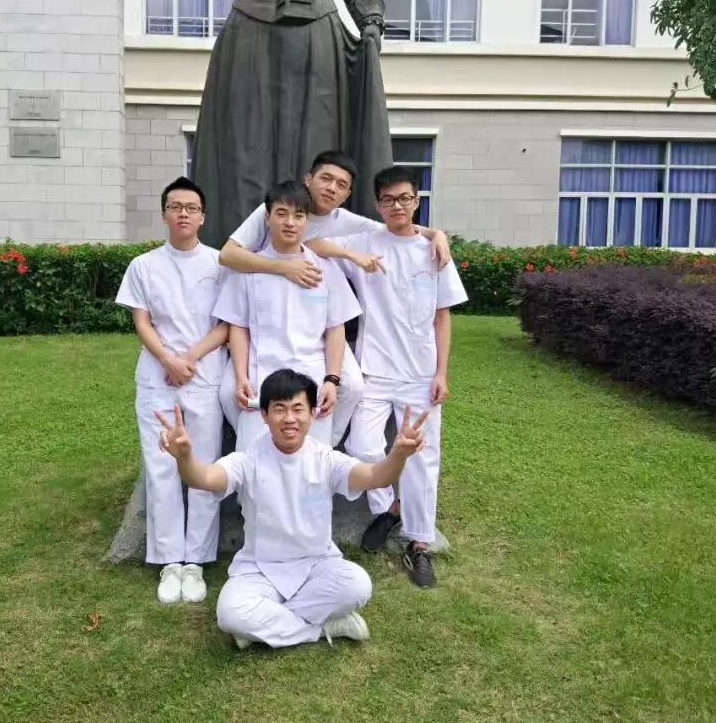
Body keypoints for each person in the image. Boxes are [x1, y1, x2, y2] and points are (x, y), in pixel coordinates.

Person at [155, 368, 432, 649]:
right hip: (259, 569)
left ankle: (267, 625)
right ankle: (322, 627)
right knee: (230, 613)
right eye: (279, 409)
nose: (289, 418)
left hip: (317, 564)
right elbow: (203, 478)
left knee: (358, 585)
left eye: (298, 409)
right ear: (264, 415)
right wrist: (185, 457)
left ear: (312, 413)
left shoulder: (325, 459)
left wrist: (398, 455)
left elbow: (375, 476)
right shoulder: (248, 460)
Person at [217, 150, 452, 445]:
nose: (331, 188)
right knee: (229, 392)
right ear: (309, 179)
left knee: (351, 386)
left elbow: (396, 226)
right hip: (263, 311)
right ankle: (253, 438)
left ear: (347, 194)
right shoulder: (279, 206)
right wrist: (284, 267)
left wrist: (436, 234)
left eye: (341, 185)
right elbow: (228, 254)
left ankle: (327, 445)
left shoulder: (346, 223)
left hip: (309, 323)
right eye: (326, 178)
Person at [185, 0, 392, 246]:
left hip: (318, 39)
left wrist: (371, 21)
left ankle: (313, 254)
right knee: (244, 155)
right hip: (251, 31)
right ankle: (240, 254)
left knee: (316, 151)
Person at [332, 166, 468, 588]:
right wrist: (355, 258)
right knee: (362, 446)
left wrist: (442, 372)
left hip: (420, 374)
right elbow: (312, 243)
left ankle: (419, 543)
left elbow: (442, 317)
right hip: (373, 369)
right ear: (377, 205)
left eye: (405, 198)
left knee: (423, 458)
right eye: (389, 200)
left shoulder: (434, 252)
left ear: (417, 201)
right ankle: (387, 508)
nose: (397, 206)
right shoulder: (365, 242)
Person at [115, 177, 229, 605]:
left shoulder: (220, 263)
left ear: (203, 216)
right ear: (164, 214)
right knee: (161, 465)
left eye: (191, 207)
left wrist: (189, 359)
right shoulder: (143, 266)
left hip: (204, 375)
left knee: (203, 466)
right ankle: (168, 560)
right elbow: (142, 322)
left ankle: (195, 561)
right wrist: (168, 360)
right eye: (175, 206)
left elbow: (226, 324)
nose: (183, 213)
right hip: (157, 377)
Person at [212, 179, 361, 450]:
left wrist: (331, 380)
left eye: (298, 215)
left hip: (312, 380)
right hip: (260, 380)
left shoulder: (325, 269)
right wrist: (241, 376)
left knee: (313, 463)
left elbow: (335, 328)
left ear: (307, 220)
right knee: (255, 460)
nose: (290, 222)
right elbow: (239, 327)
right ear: (267, 218)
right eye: (281, 214)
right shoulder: (248, 269)